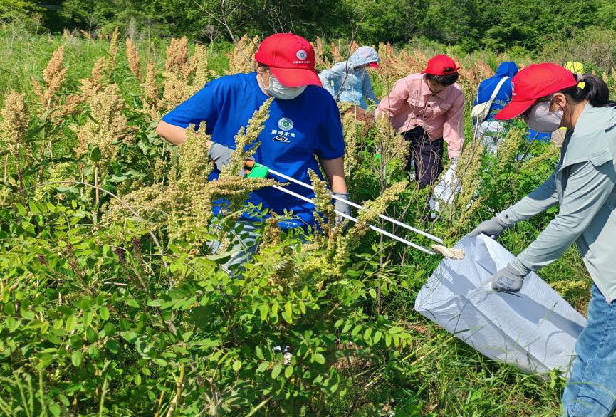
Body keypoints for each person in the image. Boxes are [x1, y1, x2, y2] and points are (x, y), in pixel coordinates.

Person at [468, 63, 616, 416]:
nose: (524, 122)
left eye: (528, 113)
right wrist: (501, 221)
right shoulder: (600, 122)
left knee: (601, 348)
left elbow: (570, 220)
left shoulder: (596, 139)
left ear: (558, 102)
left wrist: (519, 268)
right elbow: (558, 185)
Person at [155, 33, 349, 271]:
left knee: (295, 286)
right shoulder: (228, 90)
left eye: (301, 79)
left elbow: (331, 154)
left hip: (301, 210)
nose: (295, 86)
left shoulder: (320, 100)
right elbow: (166, 127)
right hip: (236, 210)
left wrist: (340, 198)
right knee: (229, 283)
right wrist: (215, 152)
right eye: (287, 78)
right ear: (261, 69)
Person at [376, 54, 464, 188]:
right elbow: (386, 109)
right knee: (395, 174)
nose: (437, 89)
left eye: (443, 86)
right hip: (401, 132)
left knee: (428, 180)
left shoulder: (456, 94)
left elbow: (453, 125)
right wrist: (382, 134)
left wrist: (455, 155)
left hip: (431, 136)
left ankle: (423, 205)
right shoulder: (408, 84)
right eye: (434, 84)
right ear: (427, 76)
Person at [472, 61, 518, 153]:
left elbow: (476, 104)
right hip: (502, 125)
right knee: (501, 157)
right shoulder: (511, 83)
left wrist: (475, 126)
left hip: (482, 124)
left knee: (486, 157)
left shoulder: (484, 83)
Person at [318, 45, 381, 110]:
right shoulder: (342, 67)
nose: (368, 65)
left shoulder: (364, 73)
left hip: (360, 106)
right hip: (342, 105)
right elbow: (323, 76)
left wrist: (378, 106)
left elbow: (368, 92)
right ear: (361, 59)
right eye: (367, 63)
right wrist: (330, 95)